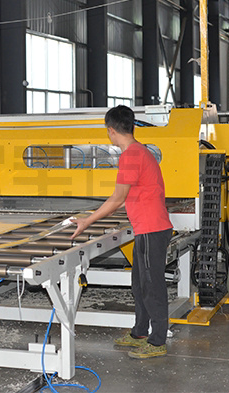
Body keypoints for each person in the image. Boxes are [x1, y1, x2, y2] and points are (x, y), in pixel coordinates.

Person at [70, 105, 173, 359]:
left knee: (152, 286)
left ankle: (158, 341)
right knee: (139, 284)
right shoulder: (140, 151)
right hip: (147, 228)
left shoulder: (131, 156)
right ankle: (140, 332)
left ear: (111, 131)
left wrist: (87, 221)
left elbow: (117, 199)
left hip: (151, 229)